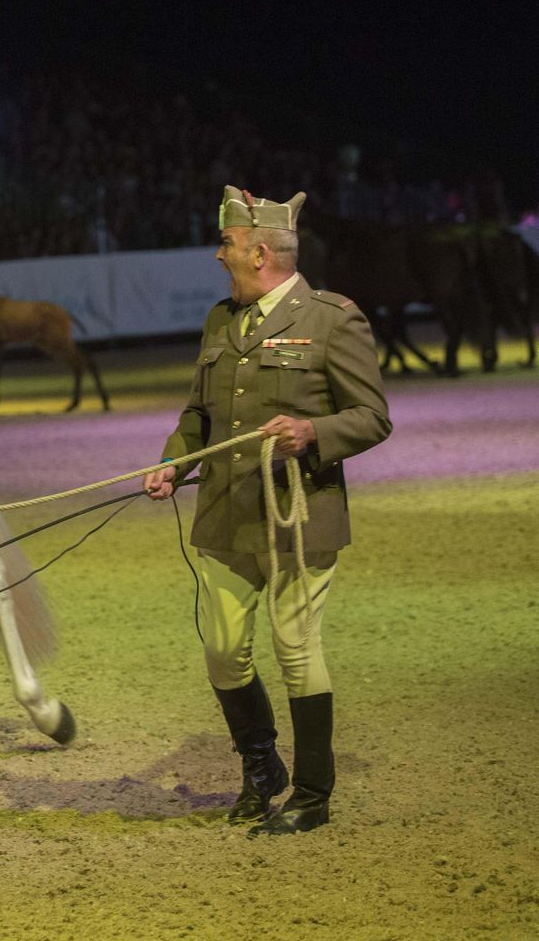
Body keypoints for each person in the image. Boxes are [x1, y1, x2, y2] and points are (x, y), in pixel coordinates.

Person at [142, 186, 391, 836]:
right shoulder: (220, 319)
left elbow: (372, 417)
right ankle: (262, 769)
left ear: (258, 253)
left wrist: (312, 433)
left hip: (298, 517)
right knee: (223, 651)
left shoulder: (334, 318)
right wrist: (174, 462)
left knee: (295, 647)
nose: (217, 254)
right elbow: (197, 416)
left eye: (226, 243)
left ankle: (312, 794)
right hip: (226, 514)